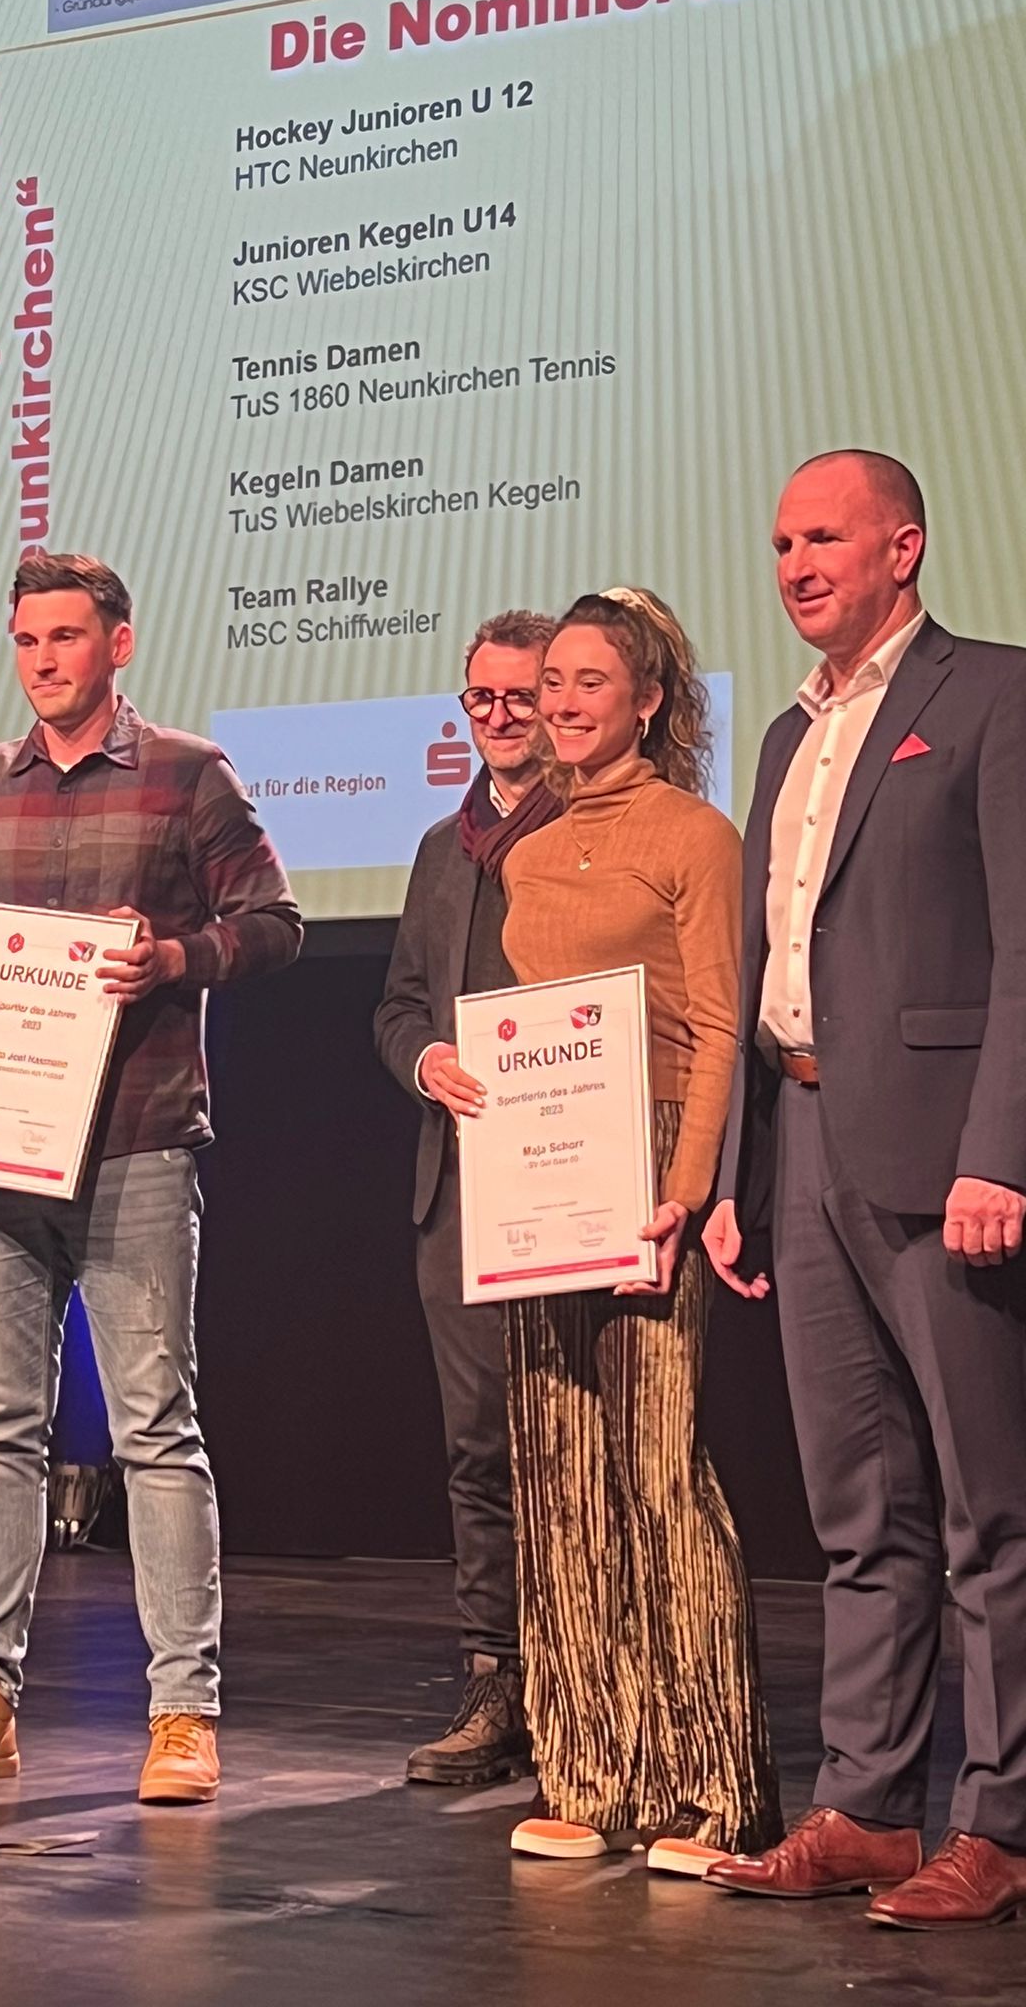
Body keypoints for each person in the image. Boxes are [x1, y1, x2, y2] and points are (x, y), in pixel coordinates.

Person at [0, 551, 301, 1803]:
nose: (45, 659)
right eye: (28, 639)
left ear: (118, 643)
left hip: (136, 1143)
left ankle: (182, 1711)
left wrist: (173, 957)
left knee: (154, 1425)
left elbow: (276, 924)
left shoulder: (188, 774)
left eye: (67, 636)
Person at [703, 451, 1026, 1929]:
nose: (796, 565)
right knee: (857, 1508)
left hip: (945, 1150)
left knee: (988, 1512)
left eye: (823, 537)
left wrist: (999, 1150)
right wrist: (741, 1172)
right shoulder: (787, 732)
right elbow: (771, 965)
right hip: (813, 1136)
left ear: (905, 547)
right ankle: (869, 1807)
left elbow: (1022, 946)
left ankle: (1000, 1824)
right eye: (781, 543)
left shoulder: (993, 695)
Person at [499, 588, 780, 1872]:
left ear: (650, 700)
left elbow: (721, 1025)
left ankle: (714, 1783)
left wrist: (689, 1184)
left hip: (654, 1156)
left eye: (589, 682)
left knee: (659, 1471)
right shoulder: (525, 848)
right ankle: (589, 1771)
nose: (560, 702)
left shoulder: (695, 835)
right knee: (558, 1470)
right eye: (550, 680)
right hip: (541, 1165)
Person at [374, 610, 560, 1785]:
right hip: (456, 1184)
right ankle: (498, 1681)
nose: (497, 716)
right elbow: (398, 1003)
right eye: (478, 698)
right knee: (478, 1446)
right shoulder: (445, 845)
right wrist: (424, 1060)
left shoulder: (595, 830)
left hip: (575, 1176)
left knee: (576, 1445)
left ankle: (591, 1687)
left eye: (519, 697)